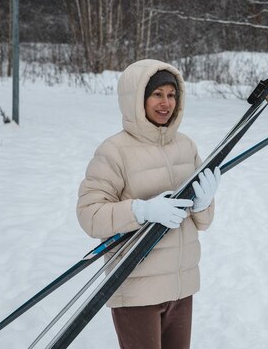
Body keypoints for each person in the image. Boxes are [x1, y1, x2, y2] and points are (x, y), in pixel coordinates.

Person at [76, 59, 220, 349]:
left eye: (171, 94)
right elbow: (89, 215)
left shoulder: (186, 146)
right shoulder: (114, 151)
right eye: (157, 94)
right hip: (135, 290)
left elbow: (202, 222)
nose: (165, 103)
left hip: (181, 287)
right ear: (136, 99)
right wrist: (141, 211)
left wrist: (203, 204)